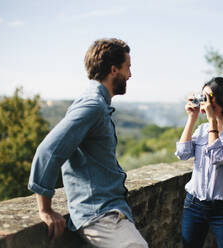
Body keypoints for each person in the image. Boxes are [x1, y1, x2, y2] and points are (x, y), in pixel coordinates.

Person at [28, 38, 148, 248]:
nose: (130, 74)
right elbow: (48, 151)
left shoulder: (95, 102)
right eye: (127, 67)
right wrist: (45, 209)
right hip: (99, 215)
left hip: (108, 210)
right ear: (113, 70)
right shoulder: (93, 105)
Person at [175, 77, 223, 248]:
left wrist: (212, 121)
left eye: (208, 98)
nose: (206, 104)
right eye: (203, 99)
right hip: (193, 204)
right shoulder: (203, 129)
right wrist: (192, 118)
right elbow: (182, 153)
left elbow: (218, 157)